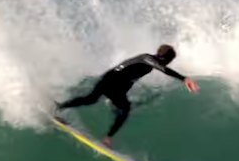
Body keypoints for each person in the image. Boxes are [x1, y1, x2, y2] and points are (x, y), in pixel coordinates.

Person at [55, 44, 199, 148]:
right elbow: (162, 69)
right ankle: (60, 108)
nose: (168, 63)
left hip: (116, 83)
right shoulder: (147, 58)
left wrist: (122, 94)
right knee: (91, 100)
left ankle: (106, 138)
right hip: (111, 79)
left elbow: (129, 77)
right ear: (166, 59)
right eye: (169, 60)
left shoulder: (148, 63)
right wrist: (184, 78)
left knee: (121, 108)